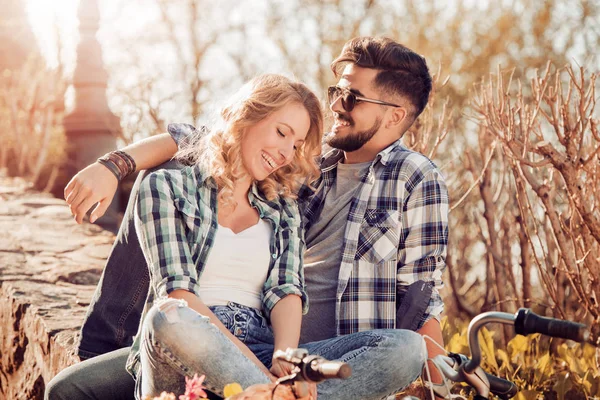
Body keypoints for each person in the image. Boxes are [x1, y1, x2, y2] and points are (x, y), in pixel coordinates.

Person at [54, 36, 448, 400]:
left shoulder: (408, 177)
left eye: (352, 97)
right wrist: (114, 163)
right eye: (337, 92)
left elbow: (420, 298)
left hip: (304, 359)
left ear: (395, 116)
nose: (337, 105)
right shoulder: (310, 168)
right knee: (141, 338)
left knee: (405, 348)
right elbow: (208, 139)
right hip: (208, 342)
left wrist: (443, 386)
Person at [46, 73, 324, 399]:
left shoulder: (283, 206)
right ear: (250, 112)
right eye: (282, 133)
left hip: (259, 341)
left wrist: (283, 359)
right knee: (67, 390)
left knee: (397, 347)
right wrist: (114, 165)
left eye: (297, 144)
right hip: (186, 334)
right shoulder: (175, 186)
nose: (287, 153)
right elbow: (177, 295)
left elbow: (287, 288)